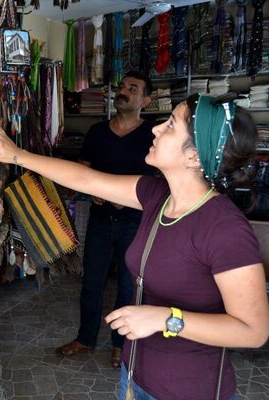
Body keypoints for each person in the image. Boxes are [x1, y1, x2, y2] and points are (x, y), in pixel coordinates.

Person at [0, 92, 269, 400]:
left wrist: (164, 318)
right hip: (135, 378)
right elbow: (87, 179)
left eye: (171, 125)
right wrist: (16, 156)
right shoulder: (158, 195)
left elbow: (253, 330)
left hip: (189, 389)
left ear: (194, 156)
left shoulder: (224, 228)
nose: (156, 128)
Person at [58, 71, 157, 369]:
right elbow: (83, 172)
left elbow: (159, 180)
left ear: (146, 100)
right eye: (123, 87)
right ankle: (85, 338)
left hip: (135, 223)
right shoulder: (97, 132)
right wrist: (93, 193)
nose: (124, 92)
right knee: (91, 282)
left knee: (127, 287)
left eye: (133, 88)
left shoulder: (152, 135)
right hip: (101, 220)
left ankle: (120, 345)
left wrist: (130, 195)